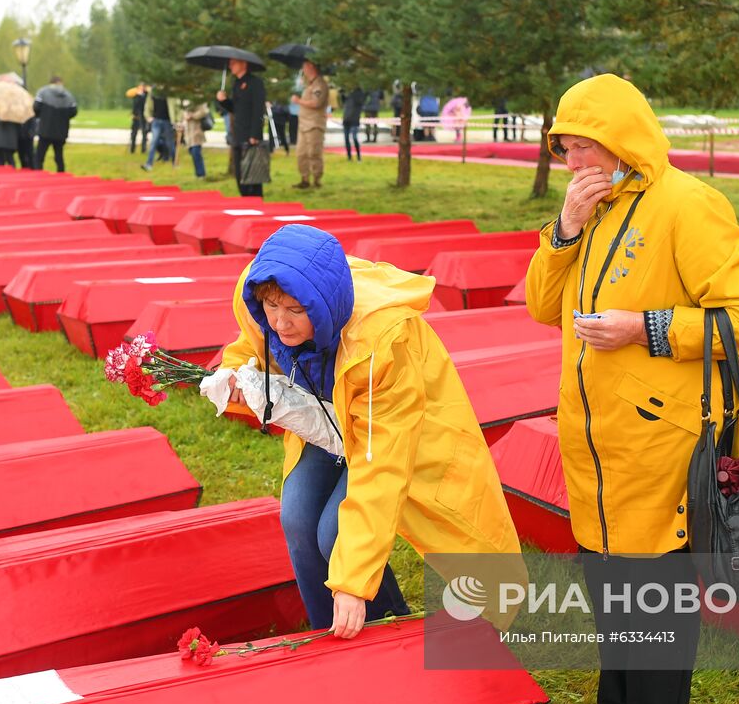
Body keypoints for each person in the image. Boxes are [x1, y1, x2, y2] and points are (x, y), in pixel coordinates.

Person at [525, 74, 739, 704]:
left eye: (582, 148)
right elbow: (544, 306)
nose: (572, 162)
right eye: (566, 148)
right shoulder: (589, 207)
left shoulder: (687, 205)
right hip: (595, 439)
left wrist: (647, 329)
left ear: (620, 139)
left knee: (652, 590)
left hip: (662, 438)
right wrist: (564, 229)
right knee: (607, 581)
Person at [215, 225, 522, 636]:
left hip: (393, 428)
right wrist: (233, 375)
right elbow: (254, 344)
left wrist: (353, 582)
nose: (280, 323)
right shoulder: (258, 293)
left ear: (322, 307)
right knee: (298, 519)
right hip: (326, 423)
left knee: (335, 533)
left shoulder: (381, 345)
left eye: (294, 311)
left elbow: (382, 466)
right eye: (272, 307)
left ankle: (381, 635)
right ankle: (333, 636)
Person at [217, 57, 267, 196]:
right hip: (238, 134)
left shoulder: (255, 83)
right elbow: (236, 109)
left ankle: (256, 201)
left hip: (250, 134)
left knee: (252, 173)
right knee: (240, 173)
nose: (230, 66)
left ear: (243, 64)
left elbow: (258, 109)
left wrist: (255, 134)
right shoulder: (237, 84)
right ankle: (245, 199)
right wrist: (224, 101)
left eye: (233, 63)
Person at [291, 59, 329, 188]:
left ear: (311, 66)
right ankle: (304, 179)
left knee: (314, 153)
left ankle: (317, 180)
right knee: (301, 153)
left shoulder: (320, 84)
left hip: (314, 124)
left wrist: (299, 101)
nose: (303, 70)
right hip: (303, 124)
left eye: (304, 67)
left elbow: (316, 103)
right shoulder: (308, 85)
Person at [34, 75, 78, 173]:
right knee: (59, 156)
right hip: (61, 130)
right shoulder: (68, 95)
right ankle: (61, 174)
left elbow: (36, 107)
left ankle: (37, 174)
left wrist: (42, 116)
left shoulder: (43, 92)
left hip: (45, 128)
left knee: (39, 156)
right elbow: (74, 112)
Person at [140, 85, 174, 173]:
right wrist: (148, 116)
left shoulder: (169, 92)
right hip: (156, 120)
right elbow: (148, 105)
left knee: (169, 143)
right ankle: (149, 164)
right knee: (154, 142)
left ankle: (174, 161)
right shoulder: (153, 91)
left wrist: (176, 120)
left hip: (168, 121)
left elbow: (175, 107)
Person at [179, 99, 211, 178]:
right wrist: (182, 121)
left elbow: (204, 111)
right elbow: (183, 113)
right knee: (192, 151)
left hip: (197, 129)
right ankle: (198, 173)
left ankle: (201, 173)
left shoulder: (198, 98)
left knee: (195, 151)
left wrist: (192, 115)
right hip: (188, 130)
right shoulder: (185, 99)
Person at [342, 87, 364, 161]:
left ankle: (358, 156)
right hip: (347, 119)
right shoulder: (348, 96)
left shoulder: (358, 95)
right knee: (347, 139)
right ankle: (349, 156)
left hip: (354, 119)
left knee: (354, 138)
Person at [129, 82, 149, 154]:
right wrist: (133, 114)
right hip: (136, 115)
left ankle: (143, 149)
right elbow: (135, 105)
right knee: (134, 133)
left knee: (144, 132)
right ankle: (132, 149)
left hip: (144, 116)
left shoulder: (146, 95)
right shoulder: (136, 96)